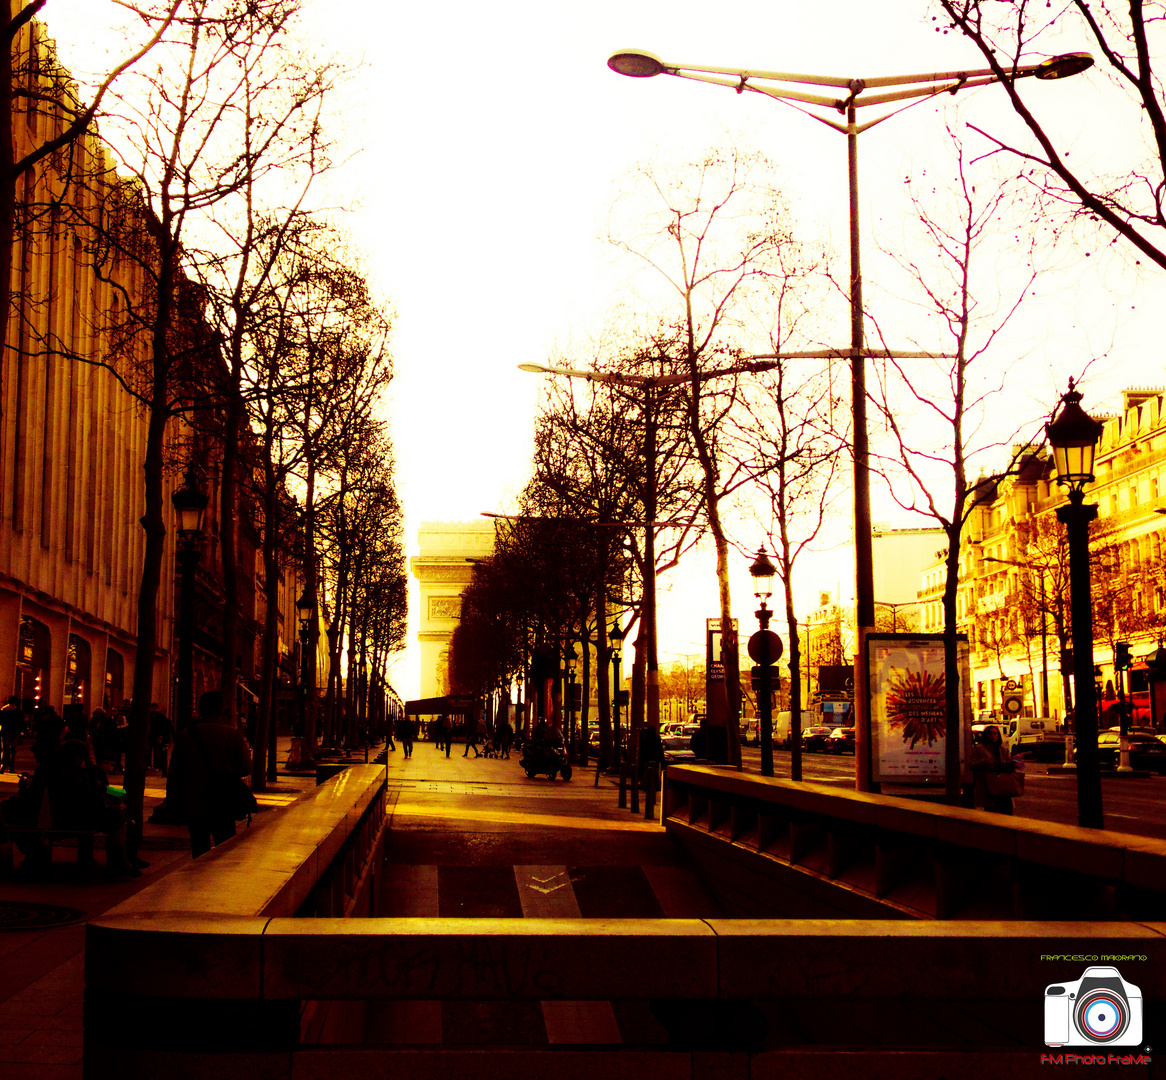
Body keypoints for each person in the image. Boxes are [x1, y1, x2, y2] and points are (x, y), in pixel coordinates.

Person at [166, 690, 253, 858]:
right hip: (223, 801)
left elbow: (174, 774)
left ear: (200, 710)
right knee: (225, 851)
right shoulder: (232, 735)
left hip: (194, 803)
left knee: (199, 851)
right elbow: (245, 768)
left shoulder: (186, 736)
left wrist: (173, 805)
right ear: (221, 709)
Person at [970, 724, 1019, 814]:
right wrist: (984, 761)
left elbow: (1010, 763)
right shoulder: (979, 749)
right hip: (988, 784)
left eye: (995, 733)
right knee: (991, 811)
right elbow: (972, 765)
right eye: (990, 733)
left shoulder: (1003, 750)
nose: (993, 736)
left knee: (1006, 809)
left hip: (1002, 784)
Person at [148, 705, 174, 776]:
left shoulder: (160, 717)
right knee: (149, 750)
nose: (153, 709)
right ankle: (149, 765)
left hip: (157, 735)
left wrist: (161, 735)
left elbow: (163, 727)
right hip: (151, 735)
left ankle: (157, 765)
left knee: (157, 751)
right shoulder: (149, 715)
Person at [1, 696, 23, 772]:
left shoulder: (3, 710)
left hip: (5, 732)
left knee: (5, 749)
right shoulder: (18, 711)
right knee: (13, 750)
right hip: (14, 732)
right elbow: (20, 722)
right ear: (15, 702)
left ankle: (4, 765)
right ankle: (11, 767)